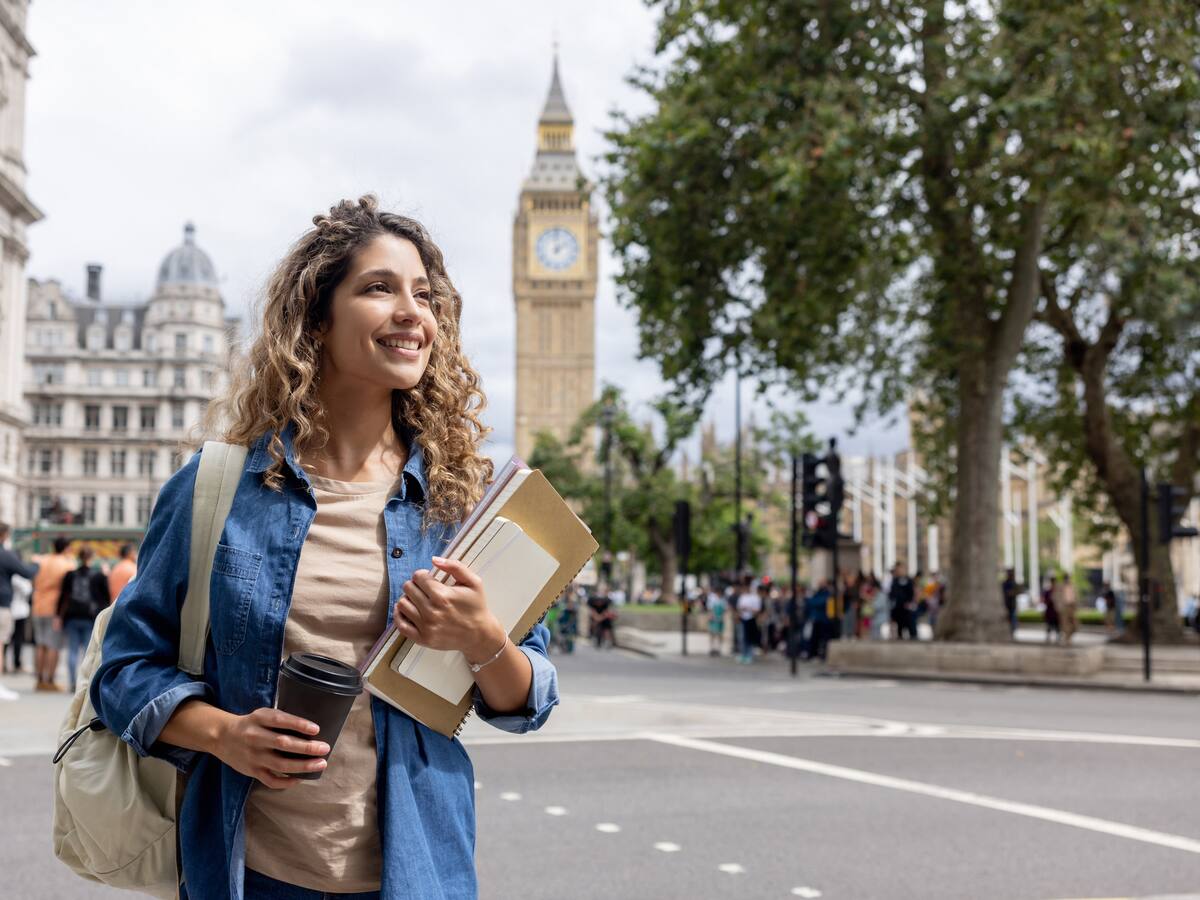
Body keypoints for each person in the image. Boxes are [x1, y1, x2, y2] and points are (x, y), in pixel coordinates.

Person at [90, 197, 559, 900]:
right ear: (316, 317)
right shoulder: (216, 488)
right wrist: (224, 734)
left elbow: (527, 699)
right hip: (252, 871)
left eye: (425, 296)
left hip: (419, 869)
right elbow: (124, 670)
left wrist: (484, 639)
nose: (413, 312)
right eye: (379, 288)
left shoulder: (458, 503)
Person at [57, 545, 111, 692]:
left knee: (72, 650)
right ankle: (85, 684)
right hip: (90, 617)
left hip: (72, 616)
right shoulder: (99, 575)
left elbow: (63, 596)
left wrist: (58, 616)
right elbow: (106, 598)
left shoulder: (70, 575)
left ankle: (72, 682)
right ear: (92, 558)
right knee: (89, 652)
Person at [32, 535, 74, 691]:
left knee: (40, 644)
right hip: (54, 607)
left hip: (37, 605)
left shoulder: (42, 560)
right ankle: (49, 680)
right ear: (65, 548)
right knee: (53, 645)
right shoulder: (67, 564)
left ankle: (39, 678)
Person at [0, 522, 39, 678]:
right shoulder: (5, 554)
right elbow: (27, 572)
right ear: (4, 535)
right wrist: (37, 564)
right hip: (2, 604)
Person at [735, 576, 762, 664]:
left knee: (749, 638)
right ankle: (743, 654)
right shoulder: (743, 596)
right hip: (743, 619)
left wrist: (748, 609)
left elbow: (757, 610)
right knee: (742, 638)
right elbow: (739, 607)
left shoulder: (755, 597)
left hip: (751, 619)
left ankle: (749, 655)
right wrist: (739, 614)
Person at [889, 563, 916, 640]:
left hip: (906, 606)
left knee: (909, 622)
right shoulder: (895, 580)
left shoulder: (909, 580)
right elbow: (892, 593)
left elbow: (911, 592)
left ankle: (912, 637)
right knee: (899, 624)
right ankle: (899, 637)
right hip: (898, 606)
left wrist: (909, 602)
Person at [706, 586, 727, 656]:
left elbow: (724, 610)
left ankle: (719, 648)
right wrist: (711, 616)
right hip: (713, 618)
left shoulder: (723, 600)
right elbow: (710, 609)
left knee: (719, 634)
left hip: (720, 618)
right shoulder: (713, 599)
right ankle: (712, 648)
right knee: (712, 634)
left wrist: (722, 617)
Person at [1059, 576, 1078, 645]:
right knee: (1065, 624)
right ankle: (1067, 638)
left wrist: (1075, 606)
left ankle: (1068, 636)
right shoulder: (1061, 587)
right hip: (1064, 606)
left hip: (1072, 606)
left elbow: (1075, 597)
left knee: (1075, 624)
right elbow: (1057, 597)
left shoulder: (1073, 586)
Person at [1043, 575, 1060, 643]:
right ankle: (1048, 637)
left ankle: (1057, 637)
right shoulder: (1048, 591)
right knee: (1049, 625)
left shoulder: (1057, 592)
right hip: (1050, 611)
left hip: (1055, 611)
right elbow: (1045, 601)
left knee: (1056, 625)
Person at [1002, 568, 1019, 637]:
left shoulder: (1014, 583)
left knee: (1013, 619)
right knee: (1010, 619)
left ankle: (1012, 632)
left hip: (1012, 604)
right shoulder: (1005, 583)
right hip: (1008, 604)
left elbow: (1017, 591)